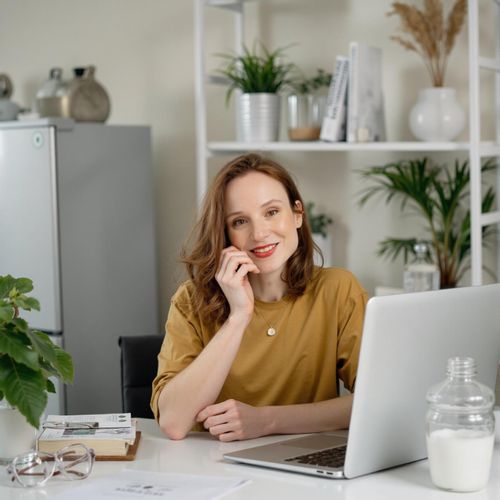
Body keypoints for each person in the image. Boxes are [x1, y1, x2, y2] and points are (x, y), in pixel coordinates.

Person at [151, 153, 367, 442]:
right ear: (225, 234)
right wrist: (239, 316)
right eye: (240, 221)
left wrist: (267, 421)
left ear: (297, 214)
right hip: (215, 469)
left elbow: (378, 400)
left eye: (272, 212)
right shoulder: (190, 301)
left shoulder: (338, 290)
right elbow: (174, 422)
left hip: (309, 466)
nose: (260, 233)